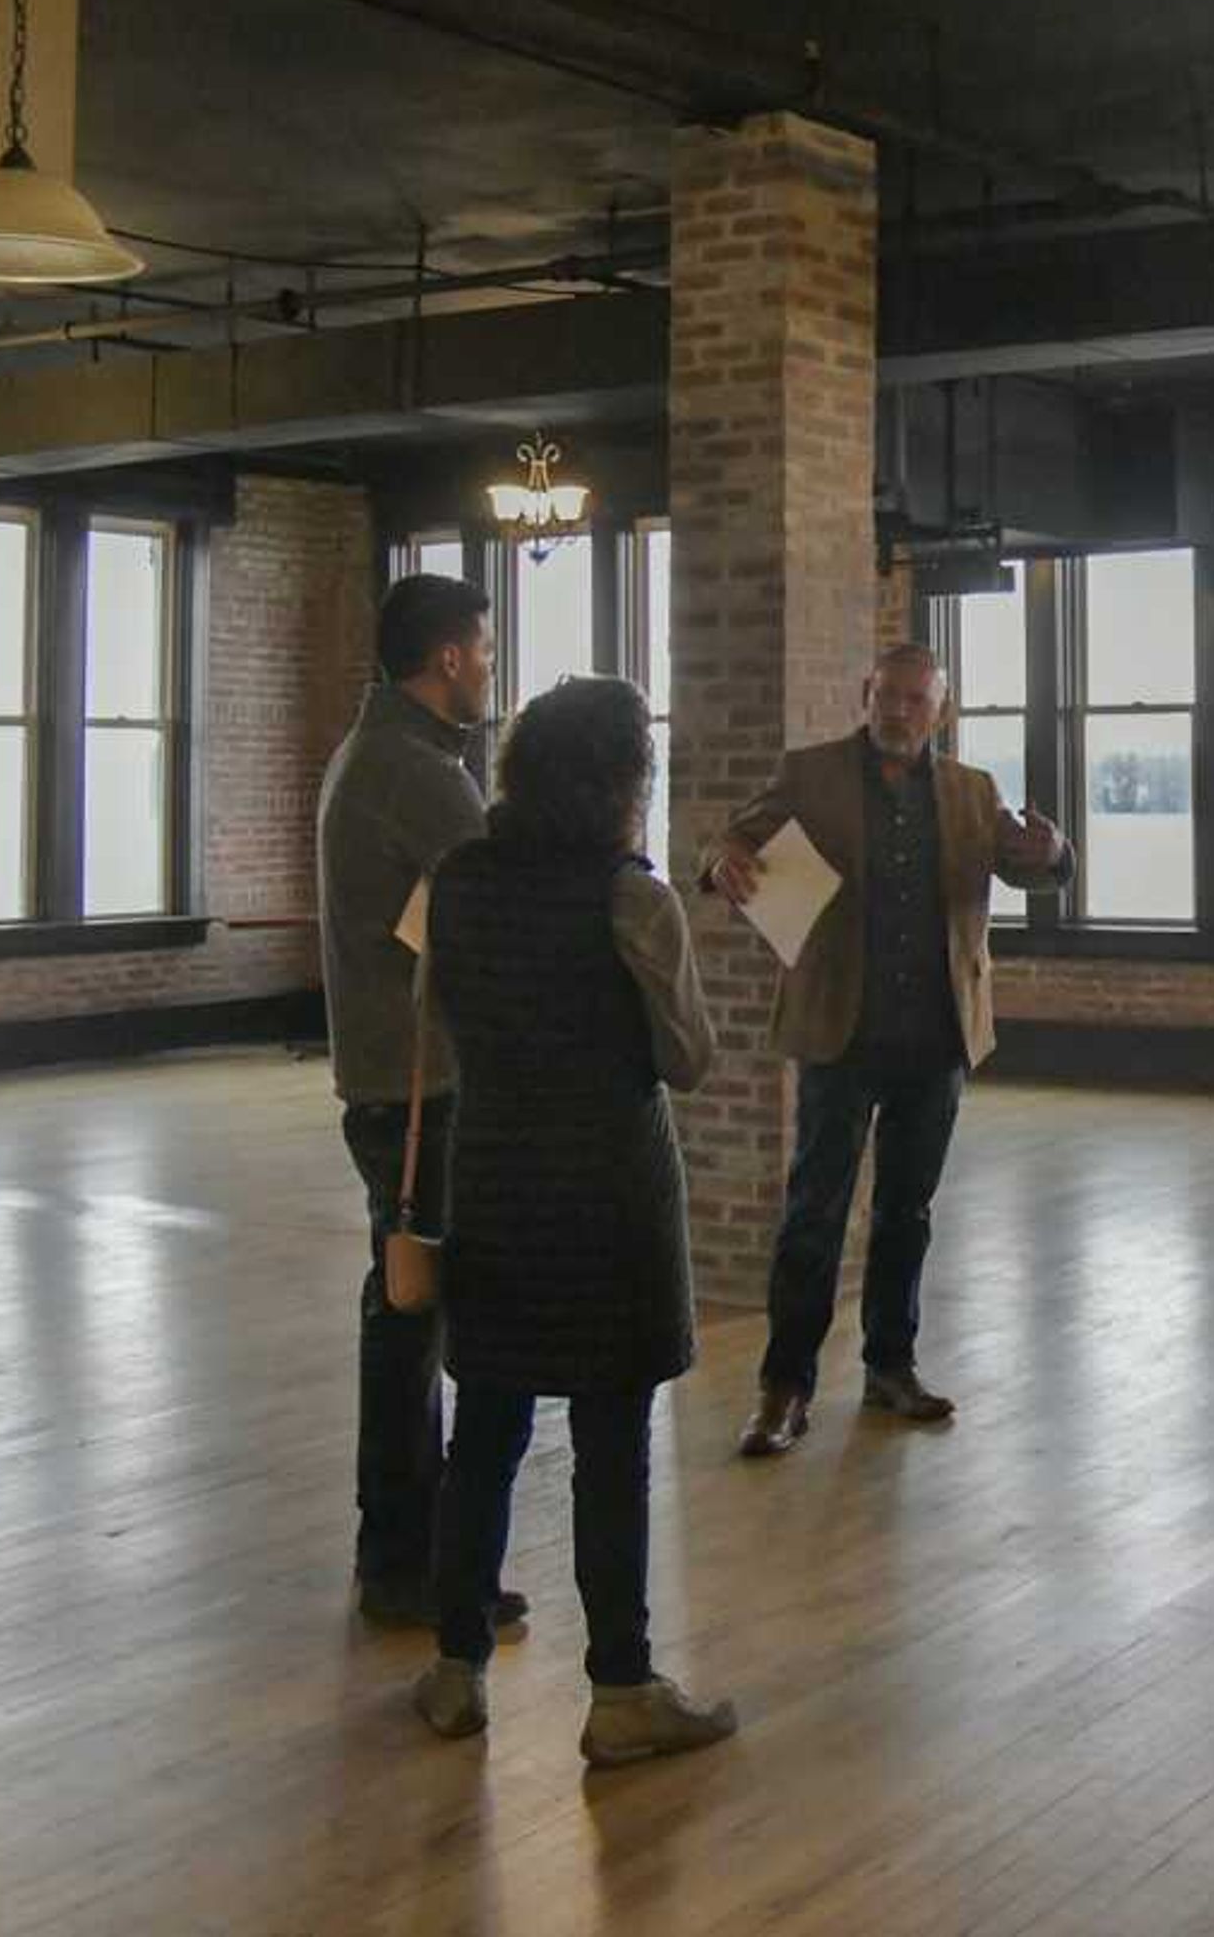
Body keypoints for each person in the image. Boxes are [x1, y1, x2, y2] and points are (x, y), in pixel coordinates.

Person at [404, 677, 736, 1768]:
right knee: (610, 1447)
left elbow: (437, 1020)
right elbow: (687, 1056)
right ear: (621, 780)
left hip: (494, 1178)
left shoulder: (454, 880)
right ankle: (621, 1686)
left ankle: (456, 1667)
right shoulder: (629, 896)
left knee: (485, 1437)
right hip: (606, 1192)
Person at [700, 643, 1070, 1458]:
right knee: (813, 1212)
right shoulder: (812, 774)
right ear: (866, 695)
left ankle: (890, 1366)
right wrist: (720, 860)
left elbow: (1029, 870)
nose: (899, 711)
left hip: (936, 1031)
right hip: (840, 1026)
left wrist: (1052, 855)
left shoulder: (972, 790)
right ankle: (785, 1385)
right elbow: (731, 841)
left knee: (908, 1211)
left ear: (940, 709)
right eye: (887, 696)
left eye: (916, 700)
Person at [315, 570, 499, 1631]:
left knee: (404, 1307)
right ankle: (408, 1558)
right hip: (421, 1082)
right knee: (412, 1318)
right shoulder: (417, 770)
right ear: (446, 660)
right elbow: (492, 899)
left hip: (391, 1079)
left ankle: (409, 1549)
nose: (486, 668)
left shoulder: (373, 750)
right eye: (480, 650)